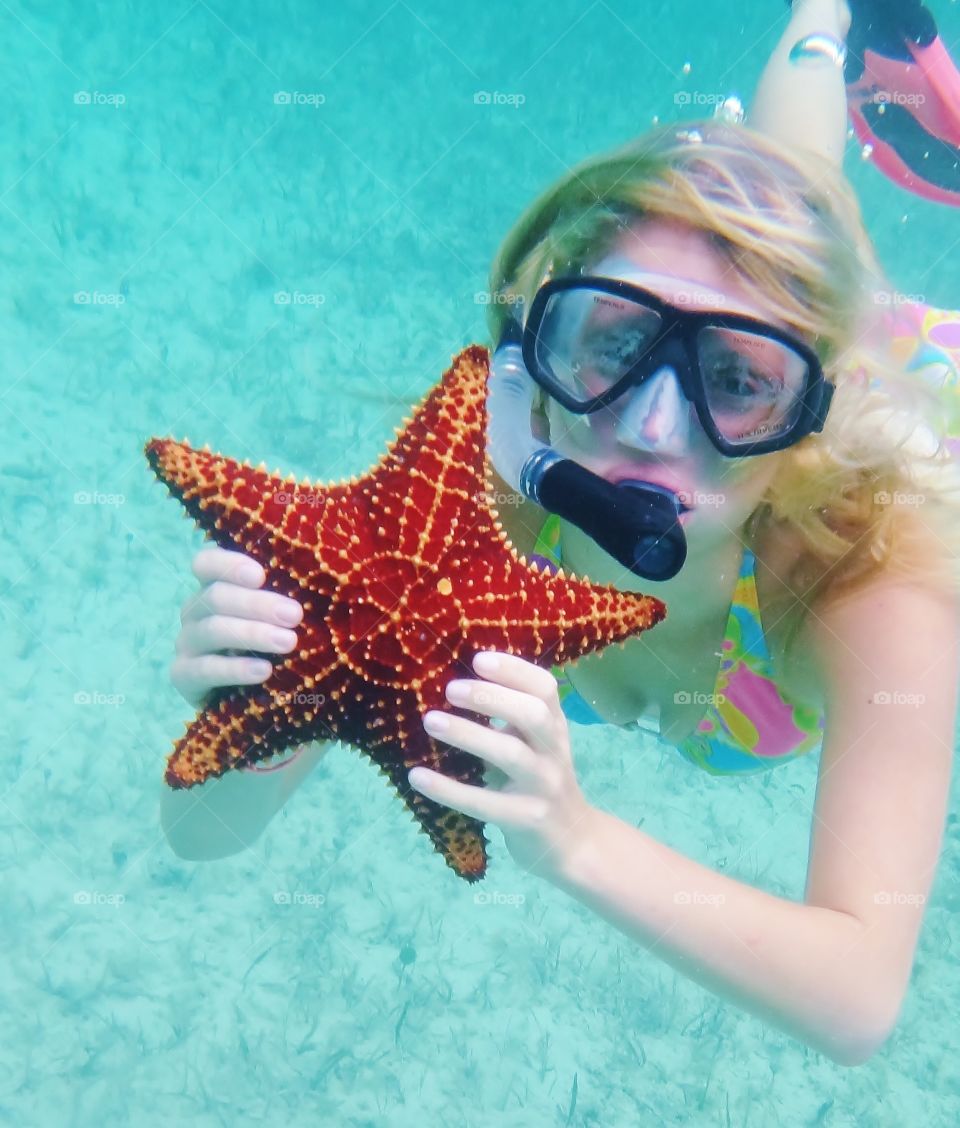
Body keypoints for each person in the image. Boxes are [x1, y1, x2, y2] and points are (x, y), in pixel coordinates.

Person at [160, 0, 960, 1065]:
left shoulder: (871, 588)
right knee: (794, 201)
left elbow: (857, 997)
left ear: (799, 426)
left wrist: (574, 839)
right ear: (537, 357)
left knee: (827, 256)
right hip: (800, 348)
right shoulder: (466, 510)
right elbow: (203, 837)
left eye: (736, 382)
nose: (652, 426)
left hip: (920, 433)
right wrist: (248, 700)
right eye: (612, 344)